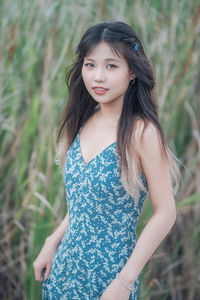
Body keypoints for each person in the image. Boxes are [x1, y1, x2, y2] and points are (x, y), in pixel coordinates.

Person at [33, 21, 181, 300]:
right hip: (64, 270)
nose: (97, 77)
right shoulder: (82, 121)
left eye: (111, 66)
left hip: (110, 279)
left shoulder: (142, 132)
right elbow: (85, 202)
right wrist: (51, 242)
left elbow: (166, 213)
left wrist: (125, 282)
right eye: (90, 65)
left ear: (133, 71)